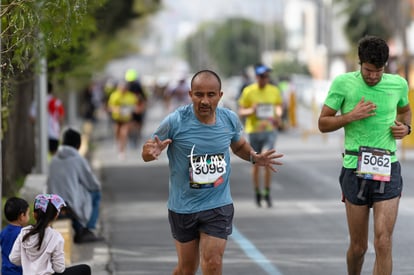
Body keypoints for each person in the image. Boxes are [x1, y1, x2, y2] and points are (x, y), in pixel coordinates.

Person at [141, 69, 284, 275]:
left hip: (217, 204)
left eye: (211, 94)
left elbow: (238, 146)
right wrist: (149, 152)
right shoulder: (175, 121)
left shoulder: (228, 119)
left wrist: (254, 156)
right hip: (183, 206)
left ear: (220, 95)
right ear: (191, 95)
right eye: (199, 94)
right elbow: (148, 149)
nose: (205, 101)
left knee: (213, 262)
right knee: (187, 269)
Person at [318, 35, 411, 275]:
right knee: (359, 247)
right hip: (354, 168)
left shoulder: (398, 84)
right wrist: (350, 116)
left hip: (387, 167)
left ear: (385, 66)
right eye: (368, 70)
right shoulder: (343, 83)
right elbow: (323, 123)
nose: (373, 76)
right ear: (359, 63)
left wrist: (406, 127)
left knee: (383, 242)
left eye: (378, 71)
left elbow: (405, 111)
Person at [9, 194, 91, 275]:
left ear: (34, 214)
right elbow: (59, 269)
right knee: (85, 269)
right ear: (55, 216)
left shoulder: (24, 232)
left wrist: (26, 262)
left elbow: (13, 258)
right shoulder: (56, 237)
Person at [238, 64, 283, 207]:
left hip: (270, 130)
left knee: (267, 158)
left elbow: (278, 106)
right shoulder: (248, 91)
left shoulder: (274, 90)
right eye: (262, 76)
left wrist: (279, 115)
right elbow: (241, 111)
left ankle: (267, 192)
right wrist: (251, 110)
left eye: (267, 76)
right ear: (257, 77)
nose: (265, 79)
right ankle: (257, 192)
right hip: (254, 131)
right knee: (257, 163)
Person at [47, 128, 103, 244]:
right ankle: (87, 229)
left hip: (53, 203)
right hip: (70, 205)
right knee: (96, 193)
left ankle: (81, 229)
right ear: (78, 145)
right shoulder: (78, 160)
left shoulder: (54, 159)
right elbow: (91, 184)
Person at [29, 82, 65, 156]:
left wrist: (41, 122)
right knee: (54, 157)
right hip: (54, 134)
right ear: (51, 90)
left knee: (41, 157)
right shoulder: (57, 102)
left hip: (40, 134)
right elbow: (61, 119)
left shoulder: (36, 102)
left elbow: (31, 118)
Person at [107, 81, 139, 159]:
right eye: (121, 88)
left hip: (127, 119)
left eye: (124, 88)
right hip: (117, 118)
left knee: (124, 134)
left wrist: (135, 110)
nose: (122, 90)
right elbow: (110, 107)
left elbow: (136, 106)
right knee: (117, 132)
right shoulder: (114, 95)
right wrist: (116, 109)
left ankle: (122, 151)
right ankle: (117, 143)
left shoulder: (131, 96)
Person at [0, 197, 30, 275]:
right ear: (22, 215)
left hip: (5, 271)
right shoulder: (23, 233)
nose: (29, 217)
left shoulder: (3, 232)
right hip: (19, 272)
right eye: (28, 214)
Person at [125, 69, 147, 147]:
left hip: (137, 107)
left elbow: (143, 97)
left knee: (138, 123)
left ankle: (136, 135)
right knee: (131, 123)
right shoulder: (126, 86)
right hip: (131, 107)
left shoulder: (137, 86)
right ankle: (133, 136)